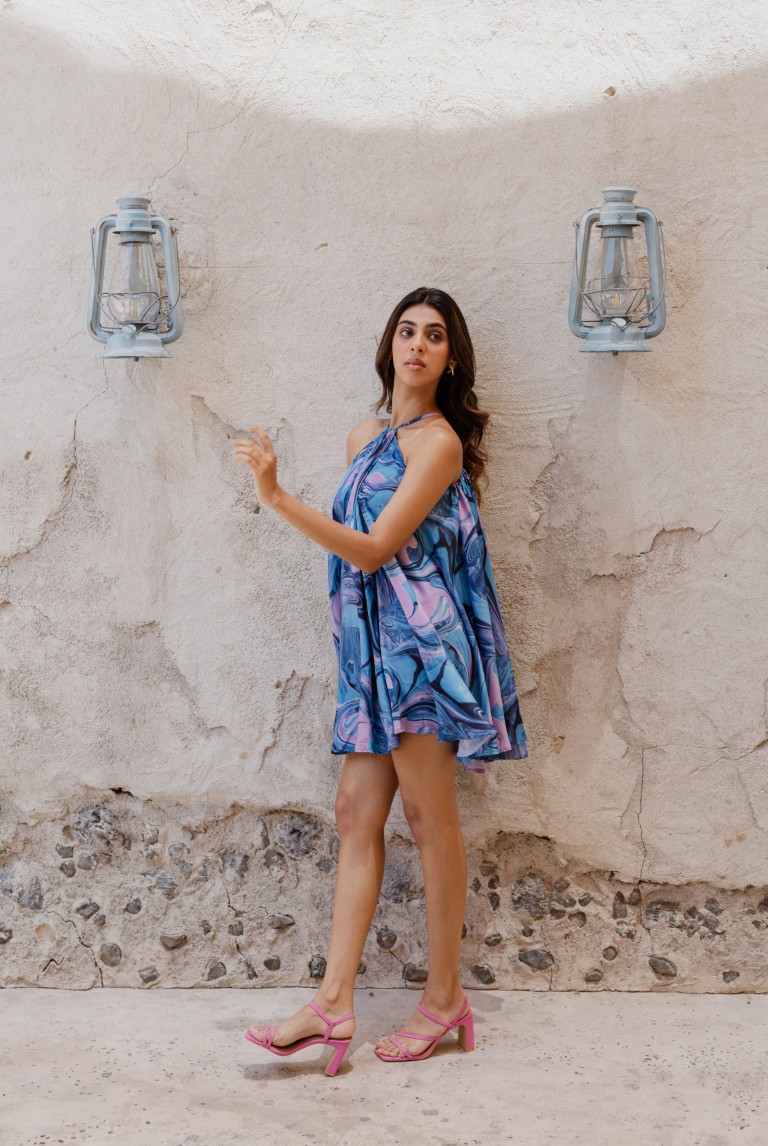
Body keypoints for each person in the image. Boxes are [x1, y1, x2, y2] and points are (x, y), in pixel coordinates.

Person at [231, 286, 528, 1075]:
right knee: (354, 813)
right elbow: (357, 551)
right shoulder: (367, 435)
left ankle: (445, 1000)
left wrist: (275, 495)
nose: (418, 345)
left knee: (431, 821)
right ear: (389, 346)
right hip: (371, 658)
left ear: (451, 359)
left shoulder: (439, 445)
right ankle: (332, 1003)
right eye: (407, 331)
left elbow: (372, 549)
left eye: (434, 336)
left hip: (424, 655)